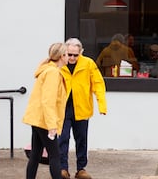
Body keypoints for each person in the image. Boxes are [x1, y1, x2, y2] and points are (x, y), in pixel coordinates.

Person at [59, 38, 107, 179]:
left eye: (75, 55)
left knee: (81, 139)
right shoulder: (59, 64)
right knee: (63, 139)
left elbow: (98, 83)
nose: (72, 58)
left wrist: (102, 105)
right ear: (64, 52)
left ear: (81, 52)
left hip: (82, 108)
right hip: (63, 108)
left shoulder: (88, 63)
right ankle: (63, 169)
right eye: (69, 54)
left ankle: (81, 169)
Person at [22, 42, 69, 179]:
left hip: (37, 119)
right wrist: (52, 125)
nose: (70, 58)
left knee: (36, 155)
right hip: (44, 121)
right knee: (55, 156)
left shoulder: (47, 70)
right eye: (67, 54)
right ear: (62, 56)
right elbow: (48, 101)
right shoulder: (53, 73)